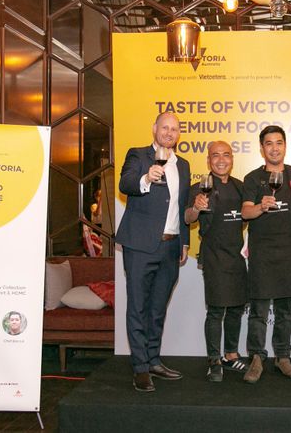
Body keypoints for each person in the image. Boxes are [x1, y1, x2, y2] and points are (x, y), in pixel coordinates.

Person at [115, 112, 191, 392]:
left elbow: (182, 205)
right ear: (154, 129)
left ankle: (154, 360)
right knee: (138, 307)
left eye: (175, 129)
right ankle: (140, 367)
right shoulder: (138, 155)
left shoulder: (183, 165)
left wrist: (184, 242)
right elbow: (125, 184)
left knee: (158, 309)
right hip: (140, 246)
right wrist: (146, 177)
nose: (169, 132)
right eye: (165, 127)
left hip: (171, 247)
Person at [241, 125, 291, 383]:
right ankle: (256, 358)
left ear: (285, 146)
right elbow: (245, 212)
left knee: (285, 309)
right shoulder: (252, 178)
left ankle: (283, 357)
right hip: (262, 250)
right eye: (269, 143)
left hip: (288, 248)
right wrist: (260, 206)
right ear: (262, 148)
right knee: (258, 310)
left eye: (279, 142)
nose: (274, 148)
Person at [185, 141, 248, 382]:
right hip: (213, 255)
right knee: (216, 310)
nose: (221, 160)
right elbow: (188, 219)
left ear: (232, 159)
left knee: (236, 307)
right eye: (215, 155)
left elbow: (246, 218)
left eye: (226, 155)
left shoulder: (241, 187)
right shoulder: (199, 187)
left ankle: (231, 355)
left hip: (236, 255)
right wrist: (196, 208)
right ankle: (214, 359)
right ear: (208, 160)